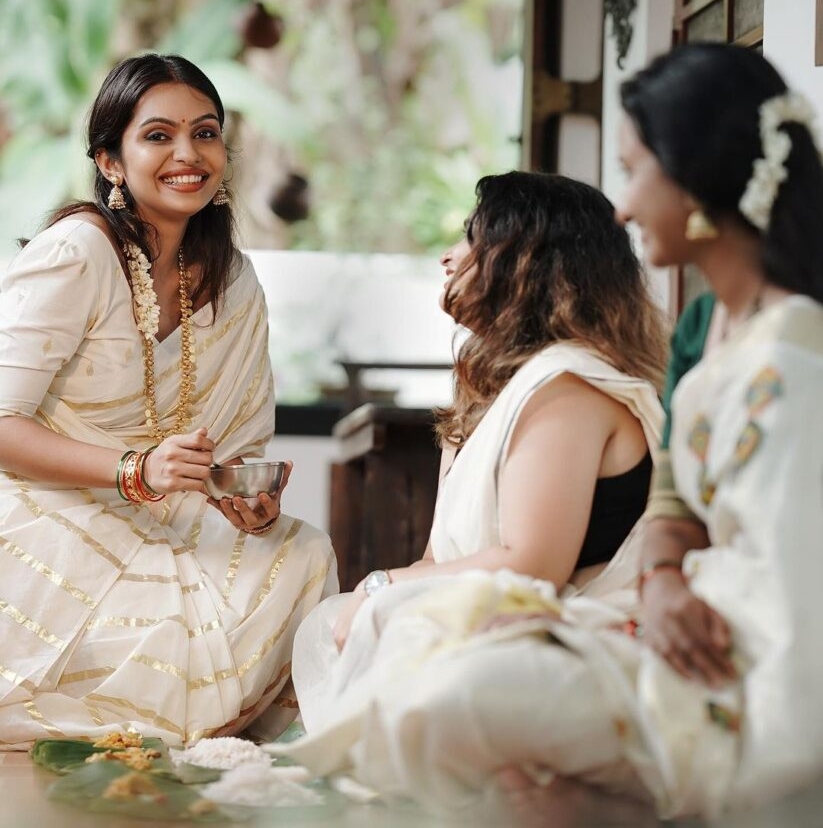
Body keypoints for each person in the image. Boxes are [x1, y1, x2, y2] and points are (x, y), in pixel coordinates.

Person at [279, 44, 823, 823]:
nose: (625, 209)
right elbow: (678, 497)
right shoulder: (711, 335)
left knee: (440, 696)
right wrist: (665, 581)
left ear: (695, 179)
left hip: (744, 651)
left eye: (635, 173)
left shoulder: (790, 355)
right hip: (671, 615)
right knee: (410, 680)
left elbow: (785, 578)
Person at [0, 54, 337, 750]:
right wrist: (135, 470)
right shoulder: (79, 252)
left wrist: (239, 496)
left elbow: (232, 443)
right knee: (152, 605)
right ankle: (123, 743)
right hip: (47, 499)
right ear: (112, 161)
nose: (188, 154)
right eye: (157, 136)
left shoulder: (231, 279)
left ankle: (189, 745)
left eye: (205, 133)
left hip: (166, 509)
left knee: (299, 551)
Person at [280, 171, 667, 752]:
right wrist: (382, 593)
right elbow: (439, 558)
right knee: (327, 622)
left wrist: (383, 586)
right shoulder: (486, 388)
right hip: (497, 616)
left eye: (470, 236)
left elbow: (532, 566)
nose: (448, 256)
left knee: (380, 621)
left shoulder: (567, 386)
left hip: (571, 637)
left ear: (525, 258)